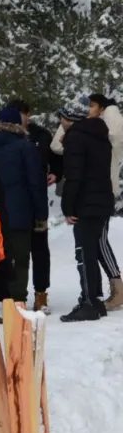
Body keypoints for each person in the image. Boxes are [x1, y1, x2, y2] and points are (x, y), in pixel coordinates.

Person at [57, 98, 115, 321]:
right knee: (90, 250)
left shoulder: (76, 138)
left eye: (62, 117)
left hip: (86, 202)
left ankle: (89, 302)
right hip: (101, 199)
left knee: (84, 252)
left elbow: (74, 176)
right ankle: (95, 300)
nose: (61, 121)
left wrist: (68, 206)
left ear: (69, 118)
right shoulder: (99, 135)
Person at [0, 105, 48, 306]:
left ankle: (0, 299)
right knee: (20, 259)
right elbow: (36, 183)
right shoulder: (25, 147)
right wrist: (41, 215)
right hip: (19, 212)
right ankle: (17, 301)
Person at [87, 94, 123, 309]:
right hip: (102, 189)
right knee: (98, 240)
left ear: (101, 108)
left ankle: (118, 287)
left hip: (104, 190)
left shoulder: (112, 121)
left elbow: (115, 135)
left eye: (92, 106)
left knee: (100, 240)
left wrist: (107, 111)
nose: (88, 110)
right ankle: (115, 286)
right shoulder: (106, 123)